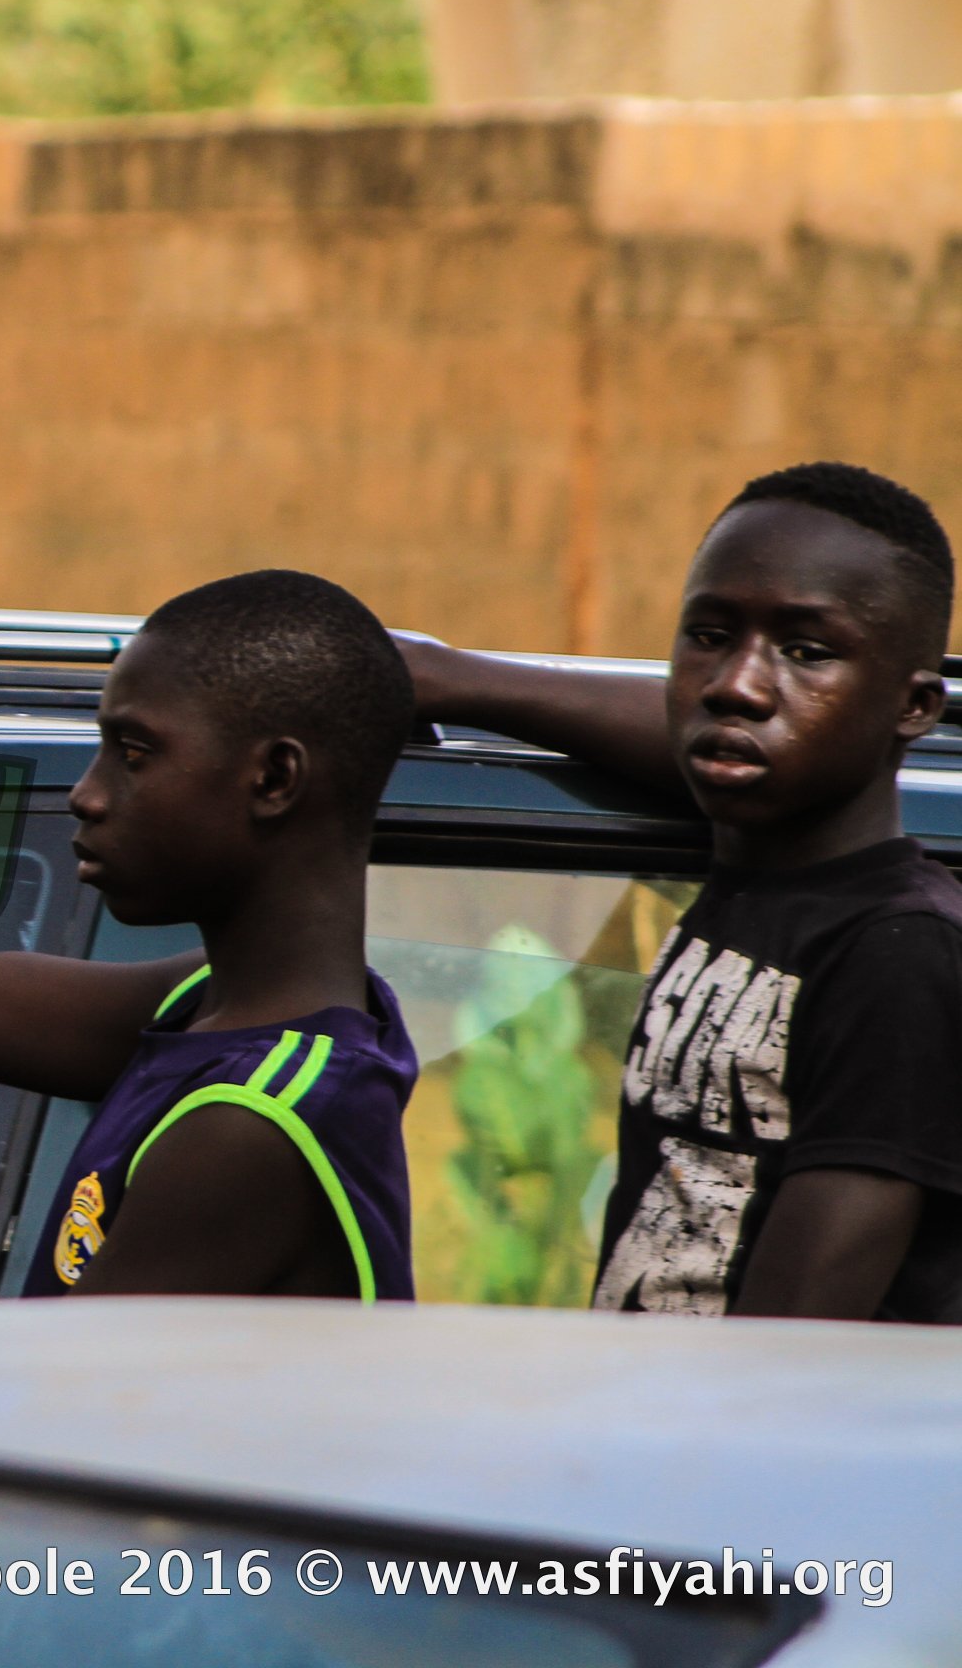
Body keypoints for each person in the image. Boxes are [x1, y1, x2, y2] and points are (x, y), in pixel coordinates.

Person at [0, 570, 419, 1301]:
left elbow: (59, 1406)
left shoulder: (254, 1123)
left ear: (275, 778)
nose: (86, 794)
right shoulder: (220, 1010)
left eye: (134, 753)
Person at [400, 461, 962, 1321]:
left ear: (914, 707)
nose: (737, 684)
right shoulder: (762, 858)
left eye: (807, 653)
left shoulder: (900, 952)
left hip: (731, 1445)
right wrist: (449, 679)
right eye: (708, 634)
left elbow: (793, 1348)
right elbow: (696, 734)